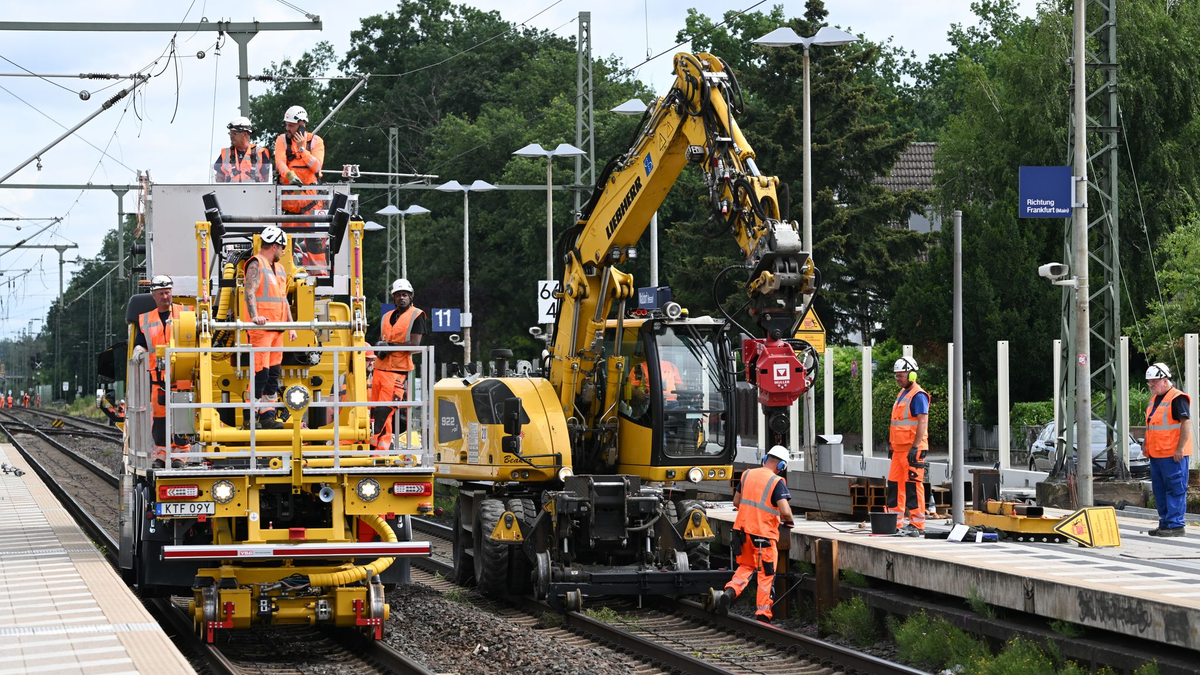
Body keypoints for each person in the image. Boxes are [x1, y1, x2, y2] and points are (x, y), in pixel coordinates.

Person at [714, 445, 794, 623]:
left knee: (746, 567)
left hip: (742, 533)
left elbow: (736, 501)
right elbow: (785, 511)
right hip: (764, 535)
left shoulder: (747, 474)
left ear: (765, 459)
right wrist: (789, 521)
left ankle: (730, 592)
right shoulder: (776, 482)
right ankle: (763, 614)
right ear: (781, 466)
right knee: (766, 574)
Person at [243, 226, 298, 430]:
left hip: (278, 329)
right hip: (261, 329)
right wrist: (254, 315)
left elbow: (283, 300)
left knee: (273, 374)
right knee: (260, 373)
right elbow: (250, 289)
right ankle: (250, 417)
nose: (283, 251)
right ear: (274, 246)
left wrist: (291, 327)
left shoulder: (281, 269)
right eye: (282, 248)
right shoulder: (256, 263)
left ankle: (267, 415)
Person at [133, 275, 191, 467]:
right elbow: (142, 343)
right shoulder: (145, 319)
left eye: (167, 293)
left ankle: (180, 456)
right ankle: (160, 455)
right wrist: (138, 350)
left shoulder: (186, 313)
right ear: (154, 296)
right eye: (161, 294)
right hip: (158, 378)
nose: (165, 297)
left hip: (182, 376)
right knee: (160, 419)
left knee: (182, 417)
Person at [370, 279, 425, 452]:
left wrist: (390, 347)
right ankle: (377, 448)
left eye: (405, 295)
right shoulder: (387, 316)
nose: (402, 298)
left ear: (411, 296)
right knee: (375, 410)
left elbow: (415, 344)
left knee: (384, 411)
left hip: (397, 372)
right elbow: (385, 338)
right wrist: (380, 347)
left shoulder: (417, 315)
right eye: (398, 295)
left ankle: (376, 446)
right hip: (380, 369)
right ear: (393, 297)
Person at [274, 105, 327, 273]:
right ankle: (283, 277)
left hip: (311, 204)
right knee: (283, 246)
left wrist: (302, 148)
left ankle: (319, 277)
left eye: (291, 125)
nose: (287, 128)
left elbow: (317, 168)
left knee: (316, 246)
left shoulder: (316, 142)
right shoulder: (281, 140)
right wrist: (288, 174)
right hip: (287, 205)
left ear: (302, 124)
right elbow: (280, 162)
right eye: (286, 124)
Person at [1144, 363, 1192, 537]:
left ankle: (1176, 525)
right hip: (1157, 454)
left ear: (1165, 380)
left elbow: (1186, 423)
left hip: (1174, 455)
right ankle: (1165, 523)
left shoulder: (1177, 398)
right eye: (1149, 383)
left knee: (1175, 488)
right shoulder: (1154, 399)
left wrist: (1180, 448)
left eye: (1154, 382)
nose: (1151, 386)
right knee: (1160, 490)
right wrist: (1145, 445)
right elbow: (1152, 426)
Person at [888, 356, 929, 535]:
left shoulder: (918, 396)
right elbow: (897, 424)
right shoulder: (901, 394)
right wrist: (892, 446)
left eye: (901, 375)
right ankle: (894, 521)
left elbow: (922, 423)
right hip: (898, 449)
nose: (898, 379)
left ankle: (917, 524)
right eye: (896, 375)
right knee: (895, 485)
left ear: (912, 375)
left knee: (913, 485)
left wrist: (915, 446)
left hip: (913, 449)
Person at [213, 117, 271, 183]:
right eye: (230, 133)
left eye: (234, 133)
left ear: (245, 134)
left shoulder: (260, 153)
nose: (231, 136)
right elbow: (219, 178)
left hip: (255, 192)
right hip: (230, 192)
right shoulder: (225, 154)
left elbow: (267, 178)